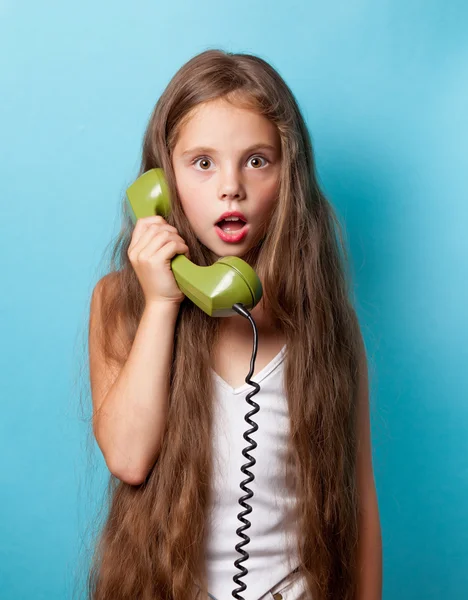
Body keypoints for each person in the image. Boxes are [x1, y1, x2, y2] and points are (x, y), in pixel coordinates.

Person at [86, 49, 382, 600]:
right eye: (203, 162)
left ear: (287, 176)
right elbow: (128, 458)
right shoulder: (120, 304)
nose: (231, 187)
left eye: (256, 160)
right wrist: (160, 303)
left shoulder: (326, 326)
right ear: (161, 181)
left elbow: (359, 504)